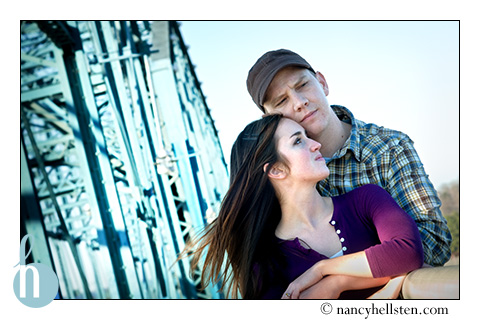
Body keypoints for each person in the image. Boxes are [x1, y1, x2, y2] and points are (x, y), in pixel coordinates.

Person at [246, 49, 452, 268]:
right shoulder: (274, 183)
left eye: (302, 85)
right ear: (269, 120)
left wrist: (334, 278)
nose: (299, 102)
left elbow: (435, 243)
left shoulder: (389, 147)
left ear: (322, 83)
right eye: (282, 101)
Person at [183, 114, 424, 299]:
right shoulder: (265, 260)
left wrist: (328, 276)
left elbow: (407, 252)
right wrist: (381, 285)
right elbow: (397, 262)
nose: (315, 144)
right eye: (298, 141)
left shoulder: (366, 200)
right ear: (276, 170)